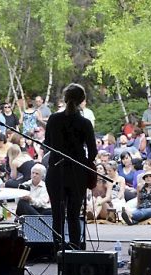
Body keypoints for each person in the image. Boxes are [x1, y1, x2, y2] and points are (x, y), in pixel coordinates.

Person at [44, 83, 96, 249]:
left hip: (56, 171)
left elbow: (48, 143)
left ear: (65, 99)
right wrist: (84, 163)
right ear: (82, 100)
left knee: (57, 216)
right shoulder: (85, 123)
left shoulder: (53, 119)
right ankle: (75, 252)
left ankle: (57, 252)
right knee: (74, 215)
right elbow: (93, 151)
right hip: (77, 173)